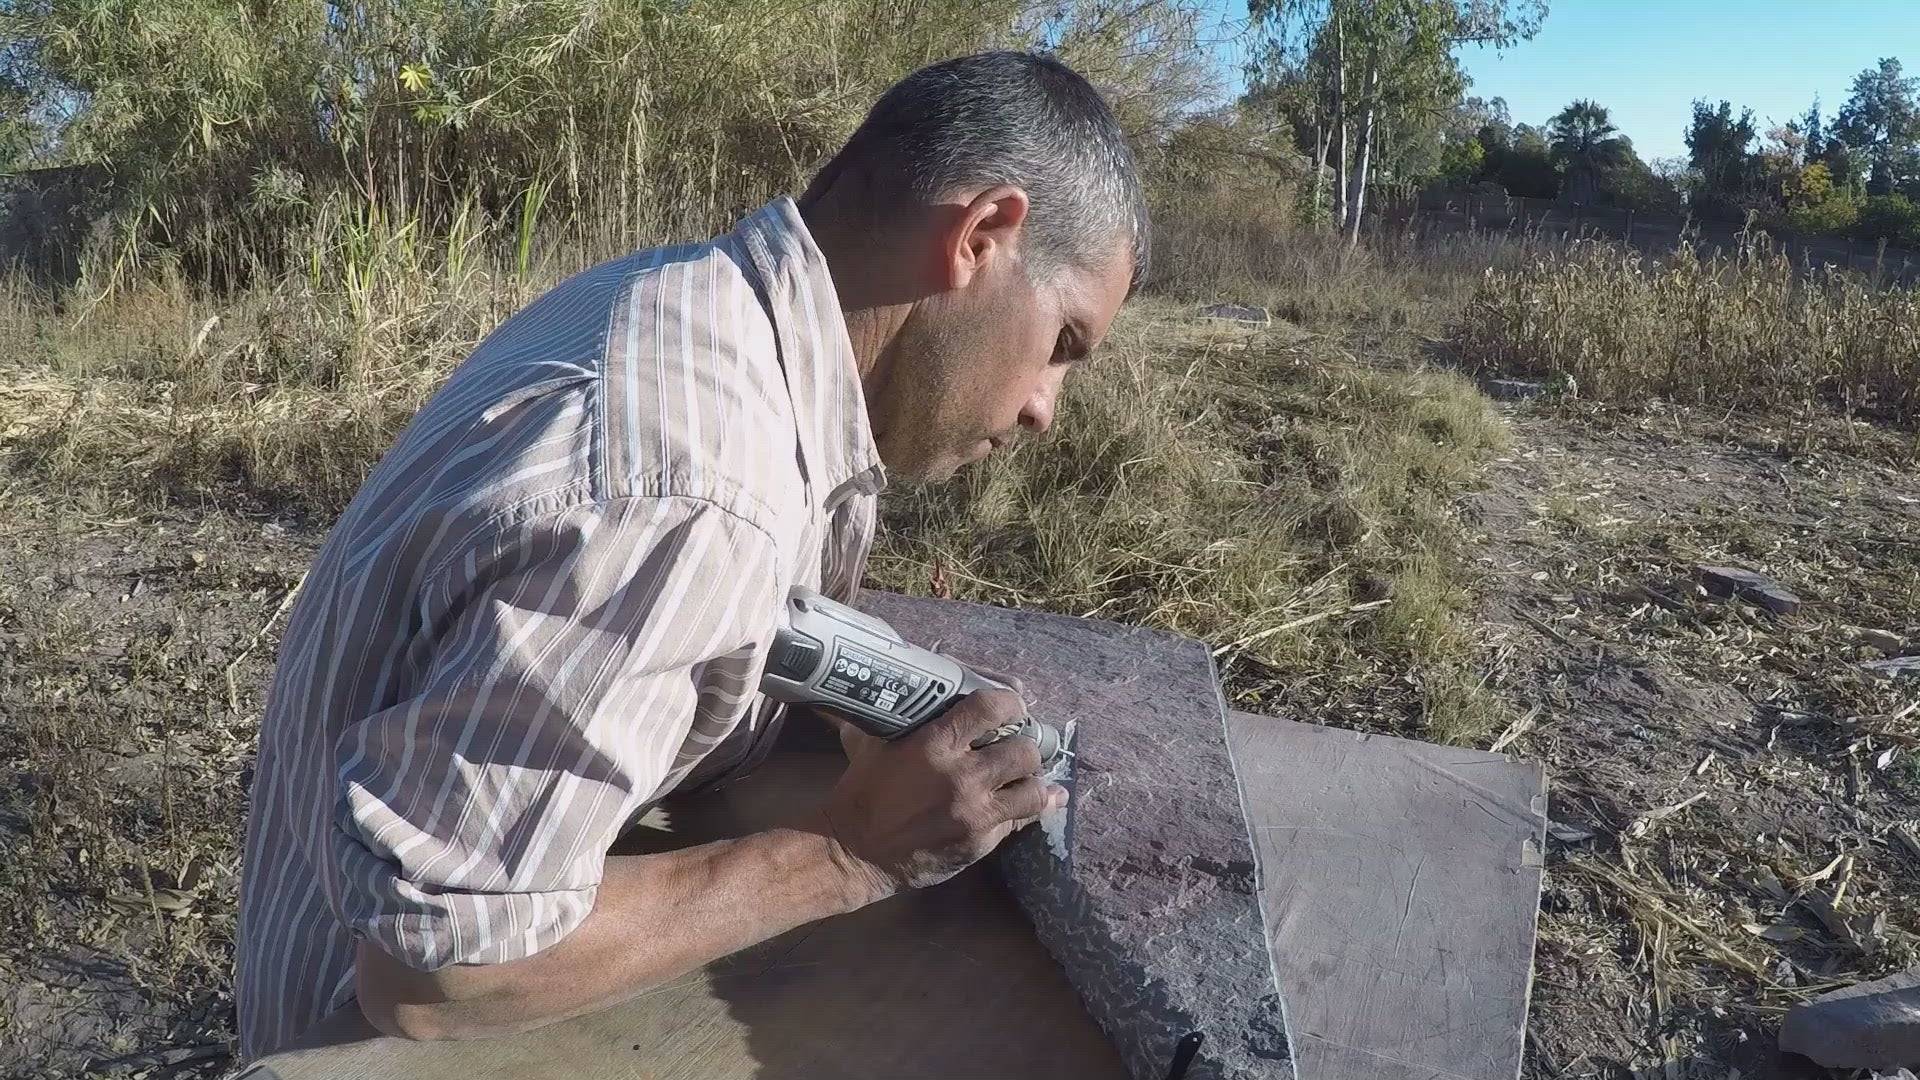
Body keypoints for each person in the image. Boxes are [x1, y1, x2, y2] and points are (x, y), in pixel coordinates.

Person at [233, 49, 1148, 1061]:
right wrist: (847, 852)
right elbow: (436, 974)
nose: (1043, 411)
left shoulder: (694, 309)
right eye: (1063, 341)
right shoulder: (692, 484)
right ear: (982, 235)